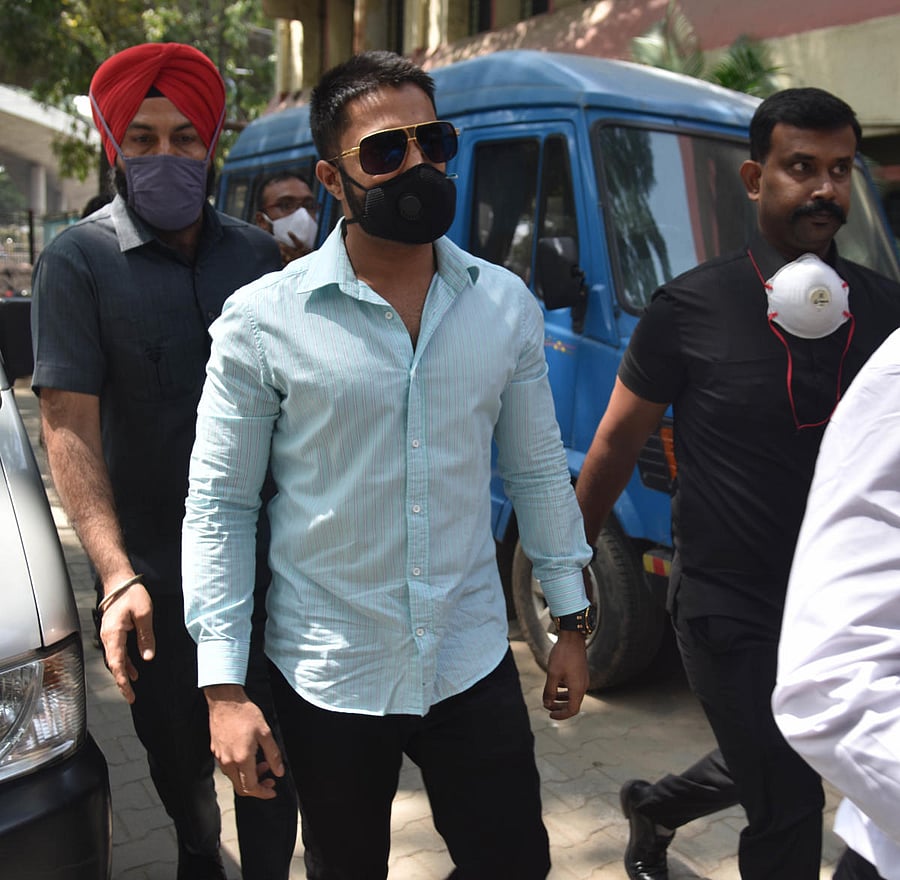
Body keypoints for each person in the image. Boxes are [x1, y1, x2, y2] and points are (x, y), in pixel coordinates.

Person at [182, 49, 593, 879]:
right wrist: (225, 687)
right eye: (384, 151)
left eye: (432, 142)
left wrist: (572, 619)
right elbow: (221, 503)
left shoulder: (505, 306)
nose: (417, 165)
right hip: (330, 671)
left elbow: (539, 469)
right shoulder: (263, 322)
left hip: (470, 656)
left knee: (515, 865)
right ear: (333, 181)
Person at [574, 86, 900, 880]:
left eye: (838, 169)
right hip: (730, 602)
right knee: (786, 804)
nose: (824, 189)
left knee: (786, 754)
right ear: (755, 179)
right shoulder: (690, 306)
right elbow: (616, 442)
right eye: (800, 168)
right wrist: (568, 578)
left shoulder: (889, 312)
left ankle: (655, 805)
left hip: (847, 612)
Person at [30, 43, 298, 880]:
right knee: (183, 781)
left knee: (274, 774)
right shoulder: (77, 263)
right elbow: (67, 426)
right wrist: (115, 574)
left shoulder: (259, 259)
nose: (166, 156)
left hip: (275, 574)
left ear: (211, 143)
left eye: (185, 138)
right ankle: (195, 856)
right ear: (114, 145)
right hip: (154, 586)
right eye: (142, 140)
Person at [773, 326, 900, 880]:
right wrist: (573, 613)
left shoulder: (875, 295)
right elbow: (830, 688)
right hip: (738, 588)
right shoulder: (688, 306)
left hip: (827, 585)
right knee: (776, 798)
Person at [253, 171, 319, 263]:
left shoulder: (329, 267)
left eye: (309, 205)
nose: (303, 215)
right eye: (286, 205)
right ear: (262, 221)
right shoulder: (246, 267)